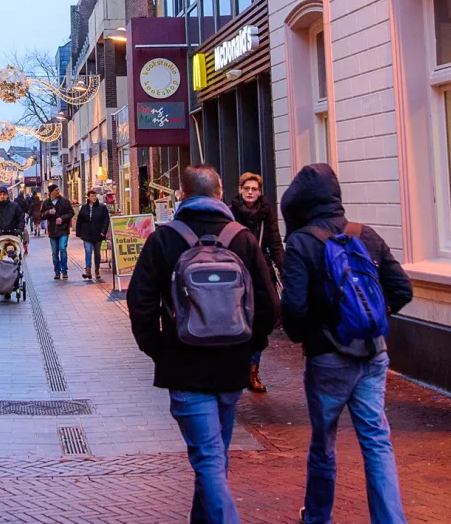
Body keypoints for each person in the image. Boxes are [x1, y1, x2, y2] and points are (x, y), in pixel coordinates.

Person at [127, 164, 277, 524]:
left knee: (209, 459)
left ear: (182, 195)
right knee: (214, 458)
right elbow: (270, 305)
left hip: (184, 368)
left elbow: (140, 301)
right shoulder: (242, 238)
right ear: (220, 193)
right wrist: (248, 346)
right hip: (230, 370)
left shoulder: (164, 239)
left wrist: (160, 351)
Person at [280, 164, 412, 524]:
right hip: (373, 353)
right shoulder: (364, 234)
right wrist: (371, 317)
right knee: (376, 440)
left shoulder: (302, 242)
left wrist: (309, 335)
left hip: (327, 358)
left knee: (324, 443)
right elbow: (402, 289)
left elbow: (293, 306)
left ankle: (318, 517)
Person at [229, 171, 285, 394]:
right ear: (240, 190)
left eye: (254, 189)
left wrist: (284, 270)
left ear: (259, 192)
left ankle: (253, 371)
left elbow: (276, 242)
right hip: (237, 271)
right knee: (237, 320)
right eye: (247, 189)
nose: (251, 192)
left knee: (261, 322)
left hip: (261, 271)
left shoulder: (266, 213)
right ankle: (238, 368)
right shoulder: (231, 212)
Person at [75, 189, 110, 280]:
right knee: (88, 251)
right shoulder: (84, 208)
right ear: (88, 197)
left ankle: (97, 270)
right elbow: (79, 220)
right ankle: (88, 271)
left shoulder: (102, 208)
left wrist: (103, 231)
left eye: (95, 196)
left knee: (97, 253)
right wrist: (78, 232)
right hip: (86, 234)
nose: (94, 198)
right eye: (92, 196)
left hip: (98, 234)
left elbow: (106, 220)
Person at [41, 183, 74, 280]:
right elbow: (41, 215)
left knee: (63, 248)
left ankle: (64, 270)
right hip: (52, 231)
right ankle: (57, 271)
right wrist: (48, 212)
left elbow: (71, 212)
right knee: (55, 253)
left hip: (63, 229)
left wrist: (62, 219)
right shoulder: (46, 203)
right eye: (56, 190)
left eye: (58, 189)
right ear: (51, 192)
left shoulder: (65, 201)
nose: (58, 191)